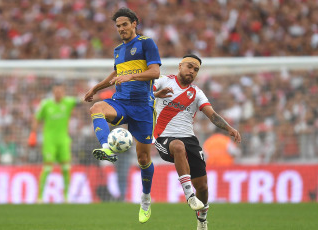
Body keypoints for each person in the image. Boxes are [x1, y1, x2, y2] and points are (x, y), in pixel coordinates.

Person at [84, 7, 161, 223]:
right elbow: (116, 74)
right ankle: (107, 147)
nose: (121, 29)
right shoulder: (118, 50)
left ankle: (145, 199)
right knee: (96, 108)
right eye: (118, 26)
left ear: (135, 23)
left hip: (143, 107)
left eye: (124, 24)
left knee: (143, 159)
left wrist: (132, 77)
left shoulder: (147, 43)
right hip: (121, 102)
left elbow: (155, 72)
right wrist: (95, 89)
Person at [153, 54, 241, 230]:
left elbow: (212, 115)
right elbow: (143, 95)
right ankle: (189, 195)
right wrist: (155, 94)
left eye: (196, 69)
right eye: (189, 67)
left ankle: (202, 219)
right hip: (164, 138)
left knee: (203, 186)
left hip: (190, 140)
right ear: (180, 66)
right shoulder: (163, 81)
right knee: (177, 146)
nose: (192, 71)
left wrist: (229, 128)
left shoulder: (196, 93)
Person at [28, 81, 80, 203]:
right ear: (53, 92)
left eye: (60, 91)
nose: (58, 93)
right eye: (56, 91)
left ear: (63, 92)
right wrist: (33, 134)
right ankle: (40, 197)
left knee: (66, 168)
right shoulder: (46, 104)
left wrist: (101, 96)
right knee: (47, 168)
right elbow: (37, 118)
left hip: (63, 140)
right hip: (49, 140)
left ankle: (66, 197)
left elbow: (82, 100)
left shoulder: (68, 102)